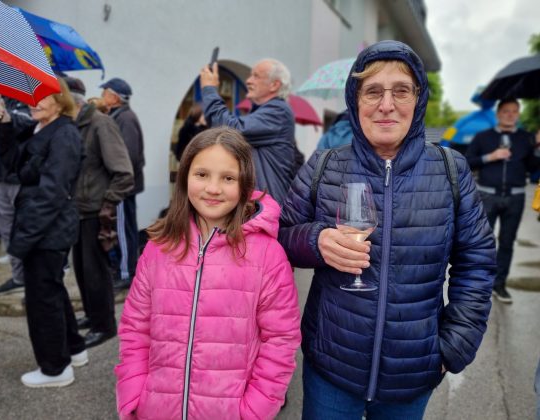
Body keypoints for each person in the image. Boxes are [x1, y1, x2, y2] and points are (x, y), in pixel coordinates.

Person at [278, 40, 496, 419]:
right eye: (373, 91)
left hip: (412, 372)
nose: (386, 104)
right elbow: (280, 238)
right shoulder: (325, 165)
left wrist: (453, 347)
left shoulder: (451, 169)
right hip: (331, 365)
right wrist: (316, 240)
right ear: (355, 100)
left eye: (401, 91)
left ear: (418, 99)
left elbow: (476, 262)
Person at [115, 127, 301, 419]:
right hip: (156, 410)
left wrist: (254, 411)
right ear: (185, 177)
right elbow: (135, 328)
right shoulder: (158, 247)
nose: (213, 188)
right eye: (202, 174)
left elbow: (281, 339)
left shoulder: (268, 255)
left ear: (244, 184)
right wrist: (134, 395)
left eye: (228, 178)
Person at [0, 79, 87, 387]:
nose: (33, 103)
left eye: (41, 98)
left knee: (42, 299)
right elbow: (14, 166)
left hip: (47, 229)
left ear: (59, 101)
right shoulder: (41, 128)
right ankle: (74, 349)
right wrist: (4, 124)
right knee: (51, 290)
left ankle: (55, 369)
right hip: (43, 227)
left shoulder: (64, 134)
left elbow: (52, 194)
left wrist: (24, 238)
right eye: (31, 97)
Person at [65, 77, 134, 348]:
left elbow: (124, 172)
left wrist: (107, 203)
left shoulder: (100, 123)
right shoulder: (73, 124)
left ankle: (104, 325)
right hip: (78, 209)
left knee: (96, 272)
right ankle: (92, 315)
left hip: (95, 210)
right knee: (83, 271)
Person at [466, 98, 540, 304]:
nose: (510, 115)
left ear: (518, 114)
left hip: (515, 197)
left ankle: (499, 285)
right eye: (506, 111)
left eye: (514, 111)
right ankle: (478, 285)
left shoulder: (526, 138)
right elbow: (468, 162)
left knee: (507, 243)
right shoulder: (483, 137)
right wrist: (490, 157)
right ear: (498, 114)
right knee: (482, 242)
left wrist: (537, 148)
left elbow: (533, 168)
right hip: (487, 196)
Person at [199, 59, 295, 205]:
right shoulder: (268, 111)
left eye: (256, 76)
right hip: (260, 205)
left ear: (274, 85)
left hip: (266, 208)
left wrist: (209, 89)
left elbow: (229, 129)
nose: (248, 80)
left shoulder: (278, 111)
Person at [0, 91, 29, 296]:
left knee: (25, 229)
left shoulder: (29, 100)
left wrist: (6, 116)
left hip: (18, 177)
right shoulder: (1, 100)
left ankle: (34, 277)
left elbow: (28, 122)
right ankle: (18, 277)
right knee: (7, 231)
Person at [100, 77, 145, 290]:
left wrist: (116, 179)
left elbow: (129, 156)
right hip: (123, 185)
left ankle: (126, 272)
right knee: (124, 228)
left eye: (105, 93)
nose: (102, 96)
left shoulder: (125, 118)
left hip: (123, 186)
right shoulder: (119, 116)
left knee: (124, 230)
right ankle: (124, 269)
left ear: (115, 97)